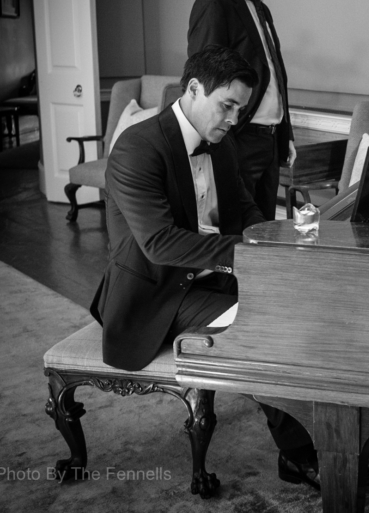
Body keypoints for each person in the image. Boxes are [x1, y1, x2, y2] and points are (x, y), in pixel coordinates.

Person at [90, 45, 319, 488]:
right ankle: (299, 455)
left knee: (301, 310)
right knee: (262, 330)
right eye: (227, 105)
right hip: (154, 297)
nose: (234, 118)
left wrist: (281, 237)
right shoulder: (138, 148)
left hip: (213, 278)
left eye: (241, 108)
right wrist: (250, 254)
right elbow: (158, 244)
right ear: (193, 89)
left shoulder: (223, 144)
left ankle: (332, 431)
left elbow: (246, 212)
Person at [187, 0, 296, 221]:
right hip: (238, 138)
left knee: (265, 230)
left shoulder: (261, 9)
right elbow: (204, 79)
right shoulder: (214, 3)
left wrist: (285, 135)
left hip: (269, 141)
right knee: (237, 230)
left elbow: (275, 75)